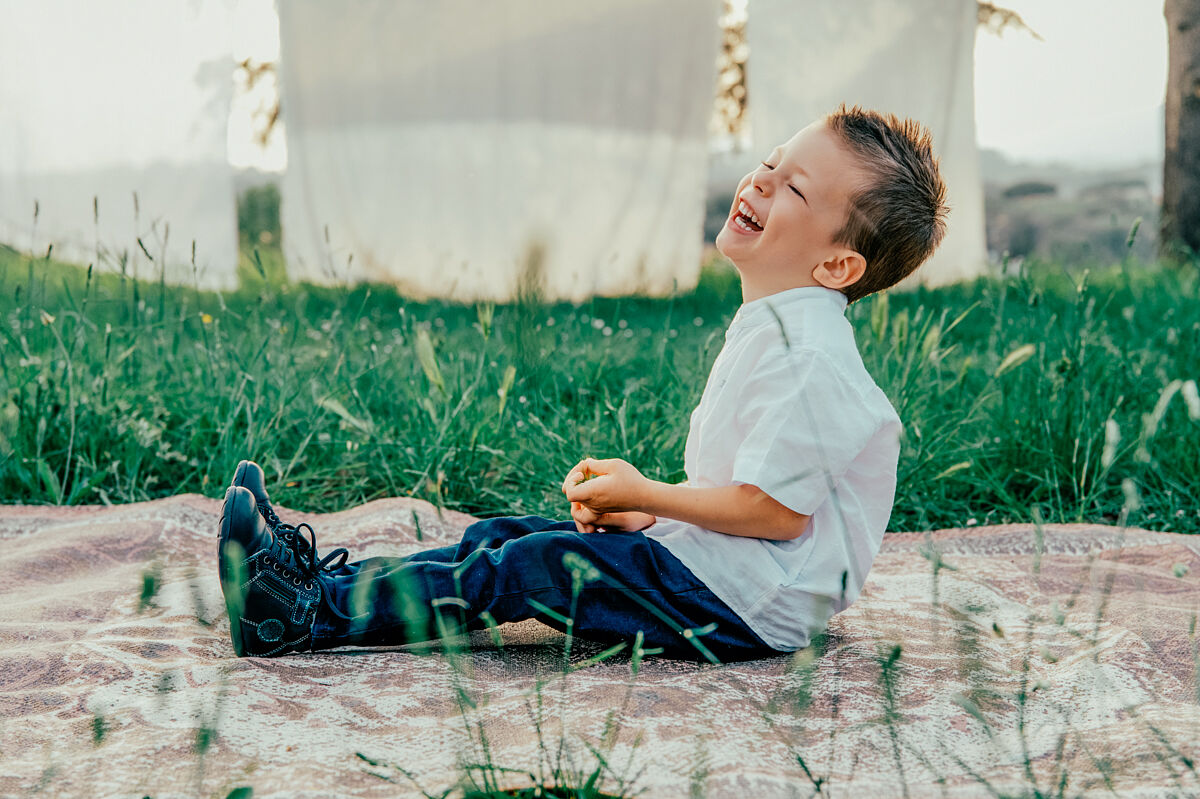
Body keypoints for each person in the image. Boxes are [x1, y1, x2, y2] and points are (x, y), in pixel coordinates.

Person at [216, 103, 948, 662]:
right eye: (770, 160)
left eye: (793, 187)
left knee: (534, 566)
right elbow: (749, 496)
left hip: (749, 605)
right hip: (726, 571)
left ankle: (306, 616)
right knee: (508, 536)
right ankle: (315, 585)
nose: (761, 179)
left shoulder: (812, 357)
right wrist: (655, 522)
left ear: (837, 266)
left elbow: (776, 513)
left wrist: (648, 496)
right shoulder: (780, 326)